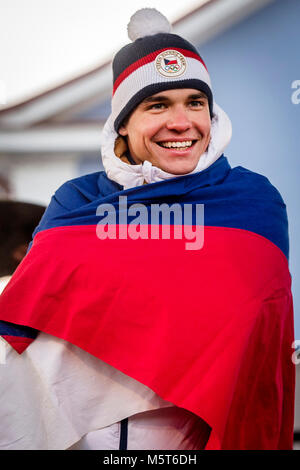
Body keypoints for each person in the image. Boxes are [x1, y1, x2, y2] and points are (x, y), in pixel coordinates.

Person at [0, 8, 295, 450]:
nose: (182, 123)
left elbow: (260, 333)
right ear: (123, 123)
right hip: (77, 437)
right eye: (158, 105)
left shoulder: (251, 203)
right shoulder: (77, 202)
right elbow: (30, 315)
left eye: (195, 103)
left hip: (193, 435)